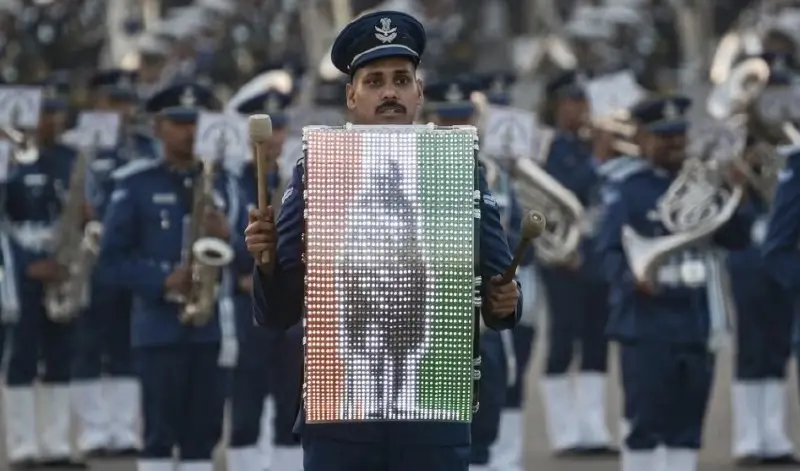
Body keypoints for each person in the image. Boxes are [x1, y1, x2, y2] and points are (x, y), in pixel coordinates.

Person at [244, 10, 522, 471]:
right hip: (340, 417)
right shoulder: (318, 167)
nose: (389, 91)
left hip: (435, 413)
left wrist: (504, 298)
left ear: (419, 92)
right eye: (374, 81)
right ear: (351, 95)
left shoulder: (457, 165)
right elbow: (278, 313)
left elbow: (499, 290)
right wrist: (268, 261)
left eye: (400, 79)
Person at [97, 81, 250, 471]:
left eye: (196, 122)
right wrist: (161, 280)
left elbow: (254, 255)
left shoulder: (226, 183)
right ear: (158, 127)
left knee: (204, 433)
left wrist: (229, 236)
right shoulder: (135, 183)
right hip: (158, 330)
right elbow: (110, 260)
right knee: (159, 435)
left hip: (213, 327)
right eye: (179, 122)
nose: (190, 131)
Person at [595, 96, 751, 471]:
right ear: (643, 139)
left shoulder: (708, 183)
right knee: (644, 421)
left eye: (679, 137)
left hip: (696, 316)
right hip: (646, 320)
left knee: (688, 422)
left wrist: (736, 194)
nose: (674, 145)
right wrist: (632, 278)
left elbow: (736, 239)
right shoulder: (628, 188)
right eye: (663, 137)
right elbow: (607, 253)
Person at [70, 68, 159, 458]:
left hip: (132, 255)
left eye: (126, 102)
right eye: (113, 102)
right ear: (96, 102)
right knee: (89, 343)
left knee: (127, 343)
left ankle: (123, 427)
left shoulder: (144, 146)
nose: (122, 110)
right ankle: (93, 429)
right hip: (88, 258)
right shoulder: (77, 145)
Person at [2, 81, 87, 469]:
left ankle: (55, 443)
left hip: (62, 265)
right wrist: (24, 263)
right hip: (19, 269)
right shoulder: (7, 160)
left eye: (54, 113)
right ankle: (22, 445)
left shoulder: (70, 159)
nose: (49, 120)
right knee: (21, 356)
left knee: (61, 354)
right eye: (42, 113)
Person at [537, 69, 614, 456]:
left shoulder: (588, 143)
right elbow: (567, 191)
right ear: (554, 105)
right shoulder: (549, 147)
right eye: (572, 101)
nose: (580, 109)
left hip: (597, 254)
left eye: (583, 101)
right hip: (562, 253)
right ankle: (565, 432)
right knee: (564, 338)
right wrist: (598, 158)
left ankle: (594, 428)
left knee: (597, 340)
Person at [227, 83, 304, 471]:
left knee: (291, 398)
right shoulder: (230, 181)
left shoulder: (296, 182)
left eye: (280, 128)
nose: (274, 138)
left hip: (287, 310)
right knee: (247, 397)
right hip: (244, 307)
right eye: (268, 128)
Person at [728, 52, 798, 466]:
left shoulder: (795, 142)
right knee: (751, 342)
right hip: (747, 249)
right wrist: (734, 179)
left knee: (780, 343)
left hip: (787, 252)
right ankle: (746, 436)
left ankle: (774, 434)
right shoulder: (735, 138)